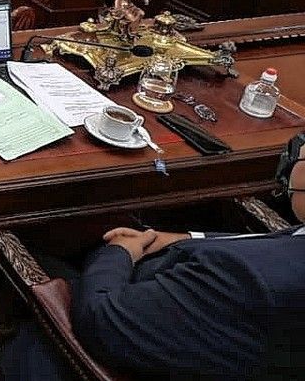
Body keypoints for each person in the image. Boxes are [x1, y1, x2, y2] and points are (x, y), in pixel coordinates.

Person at [63, 155, 305, 380]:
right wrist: (183, 238)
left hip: (79, 343)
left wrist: (119, 251)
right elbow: (270, 245)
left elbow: (101, 319)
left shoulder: (245, 277)